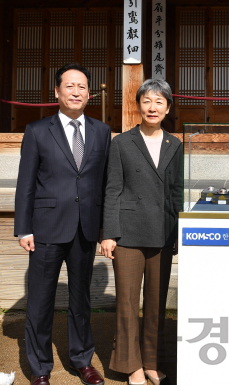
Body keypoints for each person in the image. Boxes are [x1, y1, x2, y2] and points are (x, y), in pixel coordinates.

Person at [14, 63, 110, 385]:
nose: (76, 92)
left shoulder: (101, 131)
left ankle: (82, 361)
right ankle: (40, 369)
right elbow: (26, 183)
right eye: (69, 86)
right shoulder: (38, 131)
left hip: (85, 229)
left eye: (82, 87)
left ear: (89, 94)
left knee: (81, 300)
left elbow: (106, 183)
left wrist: (106, 229)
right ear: (56, 92)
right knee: (40, 302)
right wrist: (23, 228)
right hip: (46, 229)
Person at [99, 79, 183, 385]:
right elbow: (112, 190)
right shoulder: (122, 142)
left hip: (162, 233)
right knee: (127, 302)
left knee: (156, 303)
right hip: (128, 235)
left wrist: (177, 234)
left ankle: (150, 361)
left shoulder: (175, 144)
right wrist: (109, 233)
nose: (152, 107)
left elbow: (176, 193)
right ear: (139, 105)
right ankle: (130, 365)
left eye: (159, 102)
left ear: (168, 108)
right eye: (147, 101)